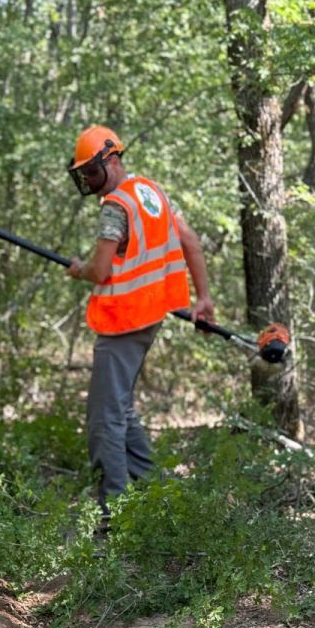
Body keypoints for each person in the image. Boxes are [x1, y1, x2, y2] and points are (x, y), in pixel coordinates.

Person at [65, 126, 215, 528]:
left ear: (111, 161)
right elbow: (191, 241)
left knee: (104, 420)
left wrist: (80, 271)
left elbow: (99, 269)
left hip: (124, 321)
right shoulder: (150, 192)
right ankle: (152, 493)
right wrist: (203, 298)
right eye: (85, 176)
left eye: (93, 173)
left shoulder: (116, 205)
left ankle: (116, 517)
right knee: (122, 412)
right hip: (150, 316)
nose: (91, 183)